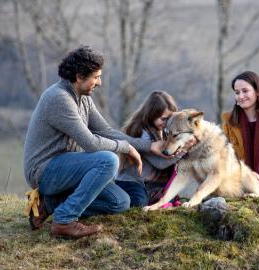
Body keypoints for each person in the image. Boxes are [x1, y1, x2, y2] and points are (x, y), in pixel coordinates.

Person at [23, 46, 166, 239]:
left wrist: (148, 146)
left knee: (120, 202)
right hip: (45, 171)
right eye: (96, 77)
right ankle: (64, 220)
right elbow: (90, 143)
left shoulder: (83, 98)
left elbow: (105, 131)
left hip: (69, 169)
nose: (99, 82)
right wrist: (125, 148)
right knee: (108, 160)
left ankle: (49, 204)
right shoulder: (59, 98)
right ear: (80, 76)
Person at [115, 91, 196, 207]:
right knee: (139, 203)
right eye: (163, 119)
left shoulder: (164, 130)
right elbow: (160, 163)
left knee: (170, 198)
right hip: (131, 181)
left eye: (170, 118)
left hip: (151, 181)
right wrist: (183, 150)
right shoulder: (141, 132)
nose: (167, 122)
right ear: (151, 115)